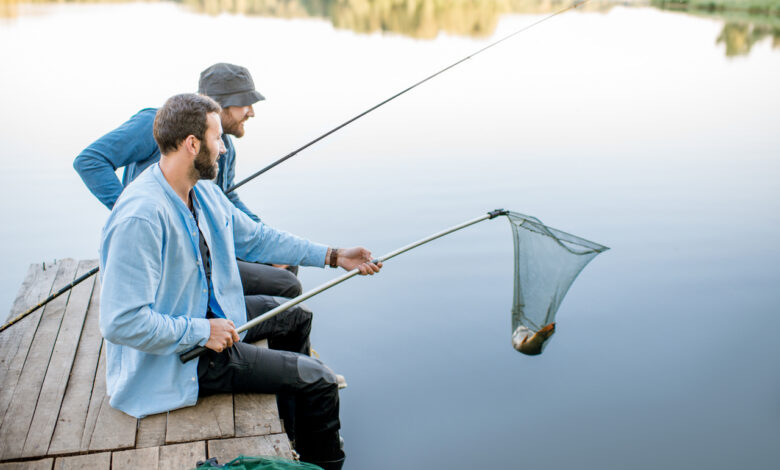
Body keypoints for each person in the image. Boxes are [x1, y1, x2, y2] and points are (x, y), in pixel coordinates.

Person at [98, 93, 380, 469]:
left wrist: (333, 255)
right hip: (181, 360)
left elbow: (257, 238)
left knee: (296, 314)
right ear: (192, 144)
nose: (224, 149)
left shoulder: (202, 192)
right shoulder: (141, 217)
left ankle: (294, 430)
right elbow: (120, 323)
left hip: (208, 318)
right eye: (217, 138)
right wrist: (202, 331)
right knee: (320, 379)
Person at [75, 63, 300, 298]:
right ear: (219, 103)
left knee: (286, 260)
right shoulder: (156, 123)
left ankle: (238, 310)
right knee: (284, 284)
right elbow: (90, 161)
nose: (251, 112)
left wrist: (263, 235)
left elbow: (227, 196)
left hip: (204, 242)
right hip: (172, 253)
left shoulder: (225, 146)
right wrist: (132, 211)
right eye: (245, 103)